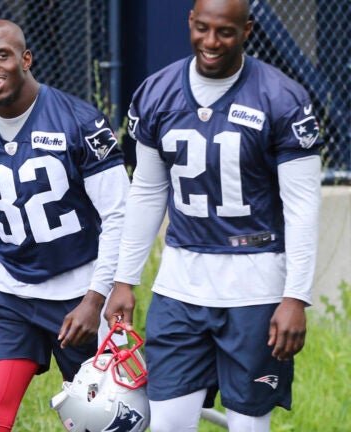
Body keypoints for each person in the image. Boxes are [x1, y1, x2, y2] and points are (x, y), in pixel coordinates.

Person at [105, 0, 322, 431]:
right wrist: (123, 280)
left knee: (247, 424)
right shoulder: (156, 93)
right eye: (202, 28)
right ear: (190, 22)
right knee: (166, 422)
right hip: (180, 285)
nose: (210, 41)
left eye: (224, 32)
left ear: (247, 30)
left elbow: (302, 206)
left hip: (255, 289)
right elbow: (148, 190)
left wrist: (296, 296)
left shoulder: (282, 98)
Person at [0, 19, 129, 431]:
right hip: (11, 295)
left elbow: (119, 214)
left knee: (100, 421)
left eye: (1, 56)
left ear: (25, 58)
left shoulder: (79, 121)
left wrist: (96, 298)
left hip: (79, 290)